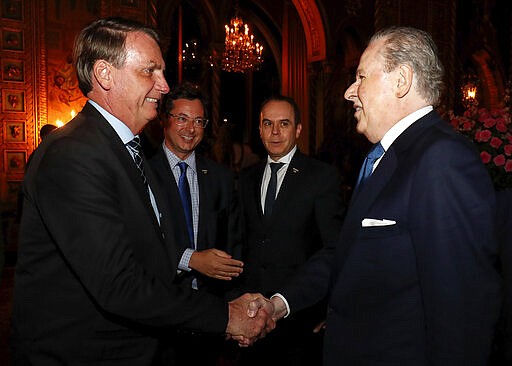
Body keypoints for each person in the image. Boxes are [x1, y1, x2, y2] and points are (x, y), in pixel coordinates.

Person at [10, 17, 273, 365]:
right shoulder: (72, 155)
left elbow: (153, 257)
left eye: (162, 72)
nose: (164, 86)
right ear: (105, 75)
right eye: (150, 71)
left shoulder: (129, 152)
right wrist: (226, 316)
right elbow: (120, 285)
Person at [260, 26, 502, 365]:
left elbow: (461, 313)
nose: (348, 92)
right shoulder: (385, 157)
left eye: (360, 77)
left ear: (401, 80)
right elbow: (348, 252)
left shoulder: (441, 160)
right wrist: (279, 303)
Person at [235, 95, 344, 365]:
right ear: (259, 130)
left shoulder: (321, 177)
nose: (275, 132)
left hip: (300, 317)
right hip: (249, 318)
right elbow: (240, 243)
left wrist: (327, 309)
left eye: (283, 124)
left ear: (297, 130)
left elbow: (334, 249)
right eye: (268, 124)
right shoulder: (245, 179)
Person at [149, 82, 243, 365]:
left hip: (209, 313)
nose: (190, 129)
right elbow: (140, 242)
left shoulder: (220, 177)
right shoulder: (143, 173)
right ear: (165, 120)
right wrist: (190, 259)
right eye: (182, 118)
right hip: (158, 312)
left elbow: (233, 242)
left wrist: (233, 308)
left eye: (198, 121)